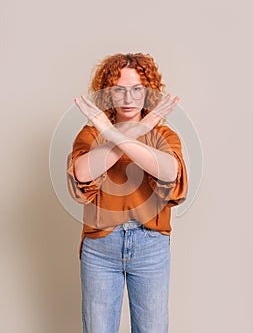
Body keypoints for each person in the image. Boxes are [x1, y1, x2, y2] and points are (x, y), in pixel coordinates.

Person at [67, 53, 188, 333]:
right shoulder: (89, 134)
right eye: (119, 89)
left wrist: (116, 132)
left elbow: (170, 172)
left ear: (147, 93)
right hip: (100, 247)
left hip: (151, 246)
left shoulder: (164, 135)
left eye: (137, 89)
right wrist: (134, 129)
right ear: (109, 94)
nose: (128, 98)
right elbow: (83, 174)